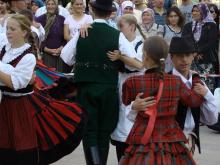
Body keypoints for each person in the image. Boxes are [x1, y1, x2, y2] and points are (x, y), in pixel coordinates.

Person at [61, 0, 143, 164]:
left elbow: (66, 57)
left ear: (92, 10)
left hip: (86, 89)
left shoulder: (82, 32)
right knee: (104, 131)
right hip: (108, 90)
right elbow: (135, 64)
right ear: (109, 13)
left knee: (89, 131)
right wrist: (120, 57)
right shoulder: (117, 35)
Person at [0, 13, 86, 165]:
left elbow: (15, 83)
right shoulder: (5, 51)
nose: (8, 32)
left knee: (22, 147)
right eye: (7, 28)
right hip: (5, 104)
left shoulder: (28, 57)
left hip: (21, 107)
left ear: (24, 32)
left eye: (12, 29)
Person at [119, 36, 206, 165]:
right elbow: (193, 101)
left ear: (145, 55)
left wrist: (134, 105)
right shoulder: (176, 81)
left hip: (143, 136)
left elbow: (126, 101)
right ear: (166, 57)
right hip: (171, 137)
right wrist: (197, 81)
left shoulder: (132, 82)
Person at [169, 37, 218, 154]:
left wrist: (206, 95)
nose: (184, 60)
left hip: (190, 141)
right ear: (171, 57)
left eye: (188, 55)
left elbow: (212, 119)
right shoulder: (165, 81)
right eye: (179, 56)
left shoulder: (198, 83)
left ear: (193, 56)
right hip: (168, 142)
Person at [110, 14, 147, 162]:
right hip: (120, 87)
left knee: (134, 129)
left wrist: (121, 57)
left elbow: (139, 65)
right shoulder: (118, 44)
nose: (119, 30)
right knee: (121, 134)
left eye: (121, 26)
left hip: (136, 88)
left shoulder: (142, 44)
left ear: (132, 26)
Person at [182, 3, 218, 92]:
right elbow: (185, 40)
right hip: (191, 62)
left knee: (207, 89)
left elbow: (212, 42)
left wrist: (197, 51)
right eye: (193, 11)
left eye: (197, 11)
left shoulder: (211, 25)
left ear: (203, 12)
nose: (194, 13)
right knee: (192, 88)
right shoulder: (188, 26)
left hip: (206, 61)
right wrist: (193, 52)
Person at [36, 0, 68, 72]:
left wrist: (61, 48)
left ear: (56, 5)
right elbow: (37, 39)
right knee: (48, 79)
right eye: (48, 4)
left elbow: (65, 38)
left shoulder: (62, 19)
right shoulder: (40, 19)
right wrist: (47, 49)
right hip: (46, 55)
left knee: (60, 79)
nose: (50, 6)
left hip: (60, 55)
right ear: (45, 6)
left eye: (53, 4)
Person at [163, 6, 185, 72]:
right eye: (171, 16)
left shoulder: (184, 30)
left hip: (179, 61)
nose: (173, 18)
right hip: (166, 62)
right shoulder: (163, 28)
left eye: (175, 16)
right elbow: (160, 43)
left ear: (179, 17)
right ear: (168, 18)